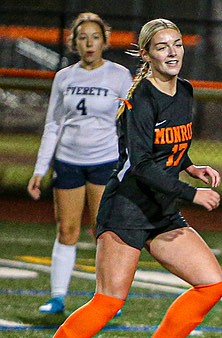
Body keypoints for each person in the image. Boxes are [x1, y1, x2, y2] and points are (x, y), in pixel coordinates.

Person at [26, 18, 222, 338]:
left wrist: (192, 167)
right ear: (147, 54)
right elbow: (142, 164)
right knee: (108, 300)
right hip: (127, 209)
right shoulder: (140, 100)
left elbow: (169, 149)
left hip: (160, 210)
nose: (172, 52)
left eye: (177, 44)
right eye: (162, 46)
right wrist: (190, 193)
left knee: (212, 284)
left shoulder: (185, 90)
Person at [27, 12, 132, 315]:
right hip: (69, 161)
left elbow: (128, 124)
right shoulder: (64, 77)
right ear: (74, 41)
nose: (89, 43)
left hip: (104, 161)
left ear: (105, 41)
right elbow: (53, 125)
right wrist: (39, 169)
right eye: (83, 37)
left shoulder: (119, 75)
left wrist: (127, 166)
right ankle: (58, 297)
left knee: (104, 231)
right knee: (67, 230)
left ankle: (108, 298)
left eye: (95, 37)